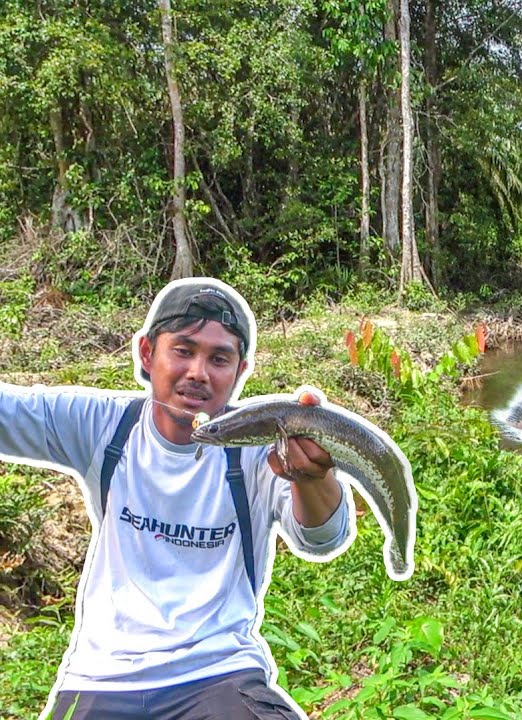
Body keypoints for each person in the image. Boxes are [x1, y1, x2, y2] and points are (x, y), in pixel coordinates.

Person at [0, 277, 355, 719]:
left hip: (218, 672)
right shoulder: (103, 425)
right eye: (183, 350)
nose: (198, 373)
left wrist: (312, 476)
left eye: (219, 358)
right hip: (102, 678)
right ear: (148, 354)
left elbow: (321, 538)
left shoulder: (263, 443)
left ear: (240, 371)